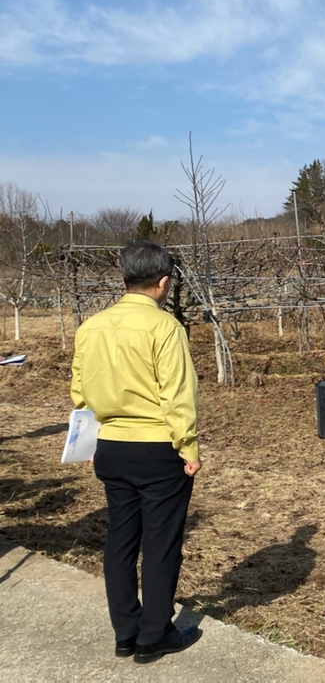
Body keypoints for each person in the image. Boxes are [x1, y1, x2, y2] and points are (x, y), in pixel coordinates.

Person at [70, 241, 202, 664]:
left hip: (110, 446)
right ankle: (154, 633)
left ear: (123, 277)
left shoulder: (91, 326)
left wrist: (91, 442)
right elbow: (178, 396)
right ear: (163, 282)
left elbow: (80, 392)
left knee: (120, 539)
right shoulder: (164, 328)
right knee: (161, 542)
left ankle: (125, 631)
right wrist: (189, 447)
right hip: (157, 448)